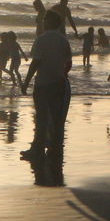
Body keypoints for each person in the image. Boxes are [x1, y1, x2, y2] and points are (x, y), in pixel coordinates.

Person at [20, 11, 73, 160]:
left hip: (43, 83)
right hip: (59, 83)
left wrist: (26, 82)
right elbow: (68, 63)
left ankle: (37, 149)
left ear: (49, 22)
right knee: (57, 118)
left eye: (44, 20)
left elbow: (36, 62)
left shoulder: (41, 40)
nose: (42, 22)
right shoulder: (63, 40)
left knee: (42, 118)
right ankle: (56, 147)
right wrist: (62, 74)